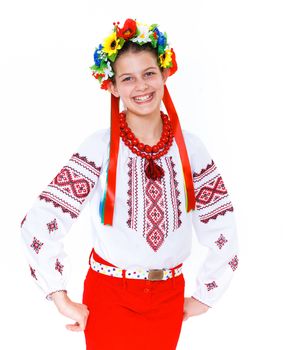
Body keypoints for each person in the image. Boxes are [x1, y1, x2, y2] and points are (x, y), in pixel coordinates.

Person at [20, 18, 239, 350]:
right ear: (112, 86)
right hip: (109, 297)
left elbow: (222, 226)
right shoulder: (99, 147)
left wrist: (207, 293)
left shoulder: (191, 149)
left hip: (168, 298)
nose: (141, 86)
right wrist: (59, 295)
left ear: (165, 73)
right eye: (128, 78)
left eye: (149, 73)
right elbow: (37, 224)